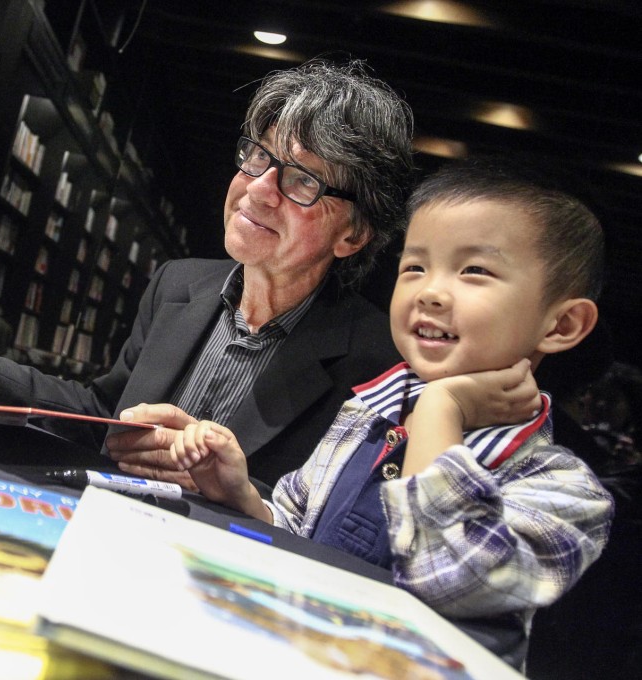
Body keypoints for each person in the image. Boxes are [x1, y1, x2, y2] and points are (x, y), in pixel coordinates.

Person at [0, 58, 415, 490]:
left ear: (354, 234)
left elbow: (337, 518)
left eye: (302, 181)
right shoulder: (178, 285)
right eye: (258, 156)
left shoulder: (379, 360)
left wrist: (232, 487)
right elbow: (102, 412)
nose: (258, 188)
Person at [168, 158, 615, 650]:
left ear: (562, 325)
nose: (431, 292)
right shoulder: (368, 413)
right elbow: (301, 527)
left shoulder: (562, 489)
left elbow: (441, 575)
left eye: (475, 270)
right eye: (416, 266)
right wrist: (244, 498)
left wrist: (441, 411)